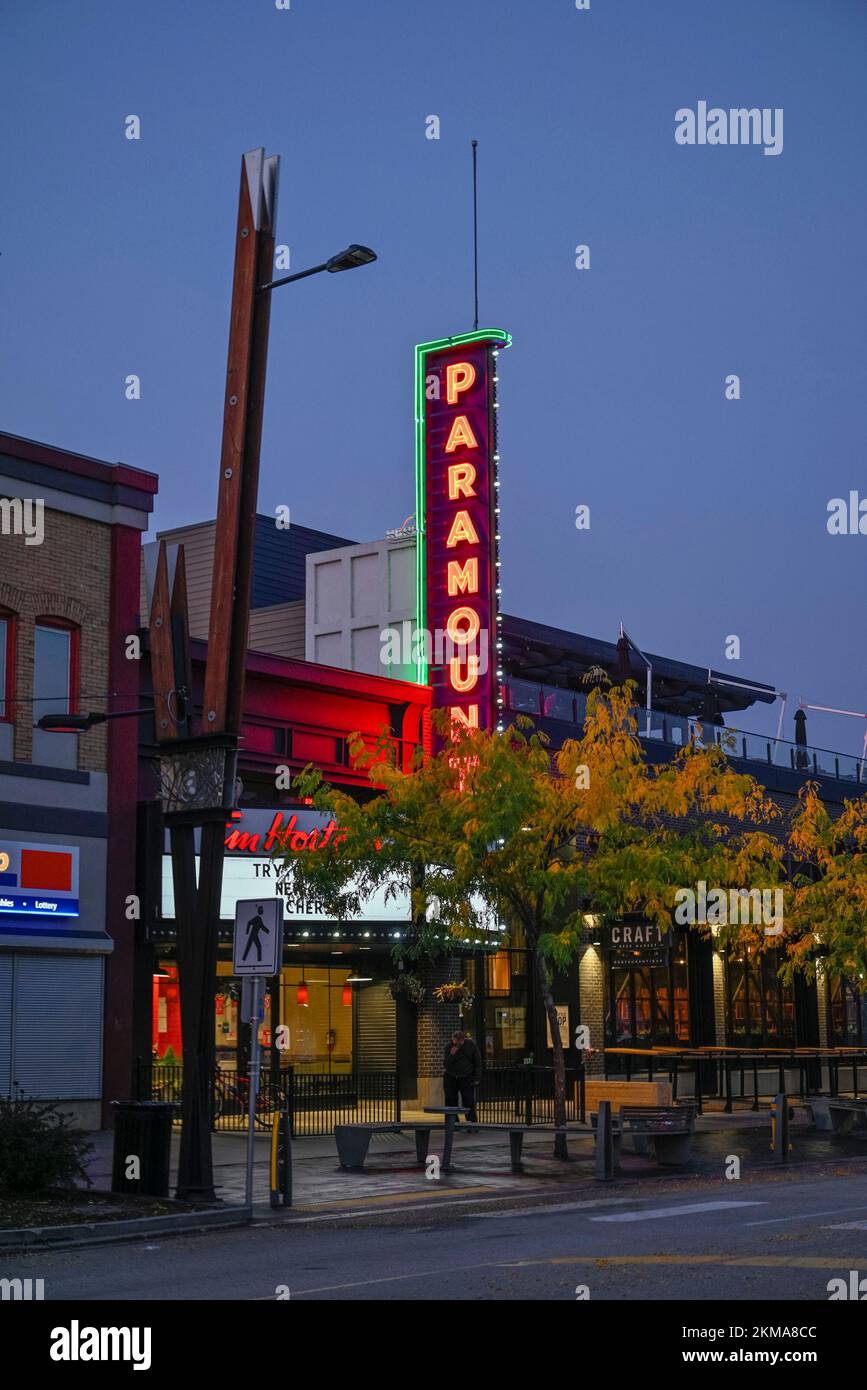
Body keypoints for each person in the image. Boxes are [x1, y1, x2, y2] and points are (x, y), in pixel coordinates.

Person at [443, 1029, 481, 1125]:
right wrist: (452, 1054)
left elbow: (477, 1062)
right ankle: (452, 1122)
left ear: (463, 1040)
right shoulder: (449, 1047)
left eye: (459, 1042)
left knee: (468, 1100)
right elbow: (446, 1064)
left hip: (466, 1076)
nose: (457, 1044)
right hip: (451, 1077)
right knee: (450, 1100)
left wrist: (477, 1078)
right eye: (455, 1042)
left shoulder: (471, 1046)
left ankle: (471, 1122)